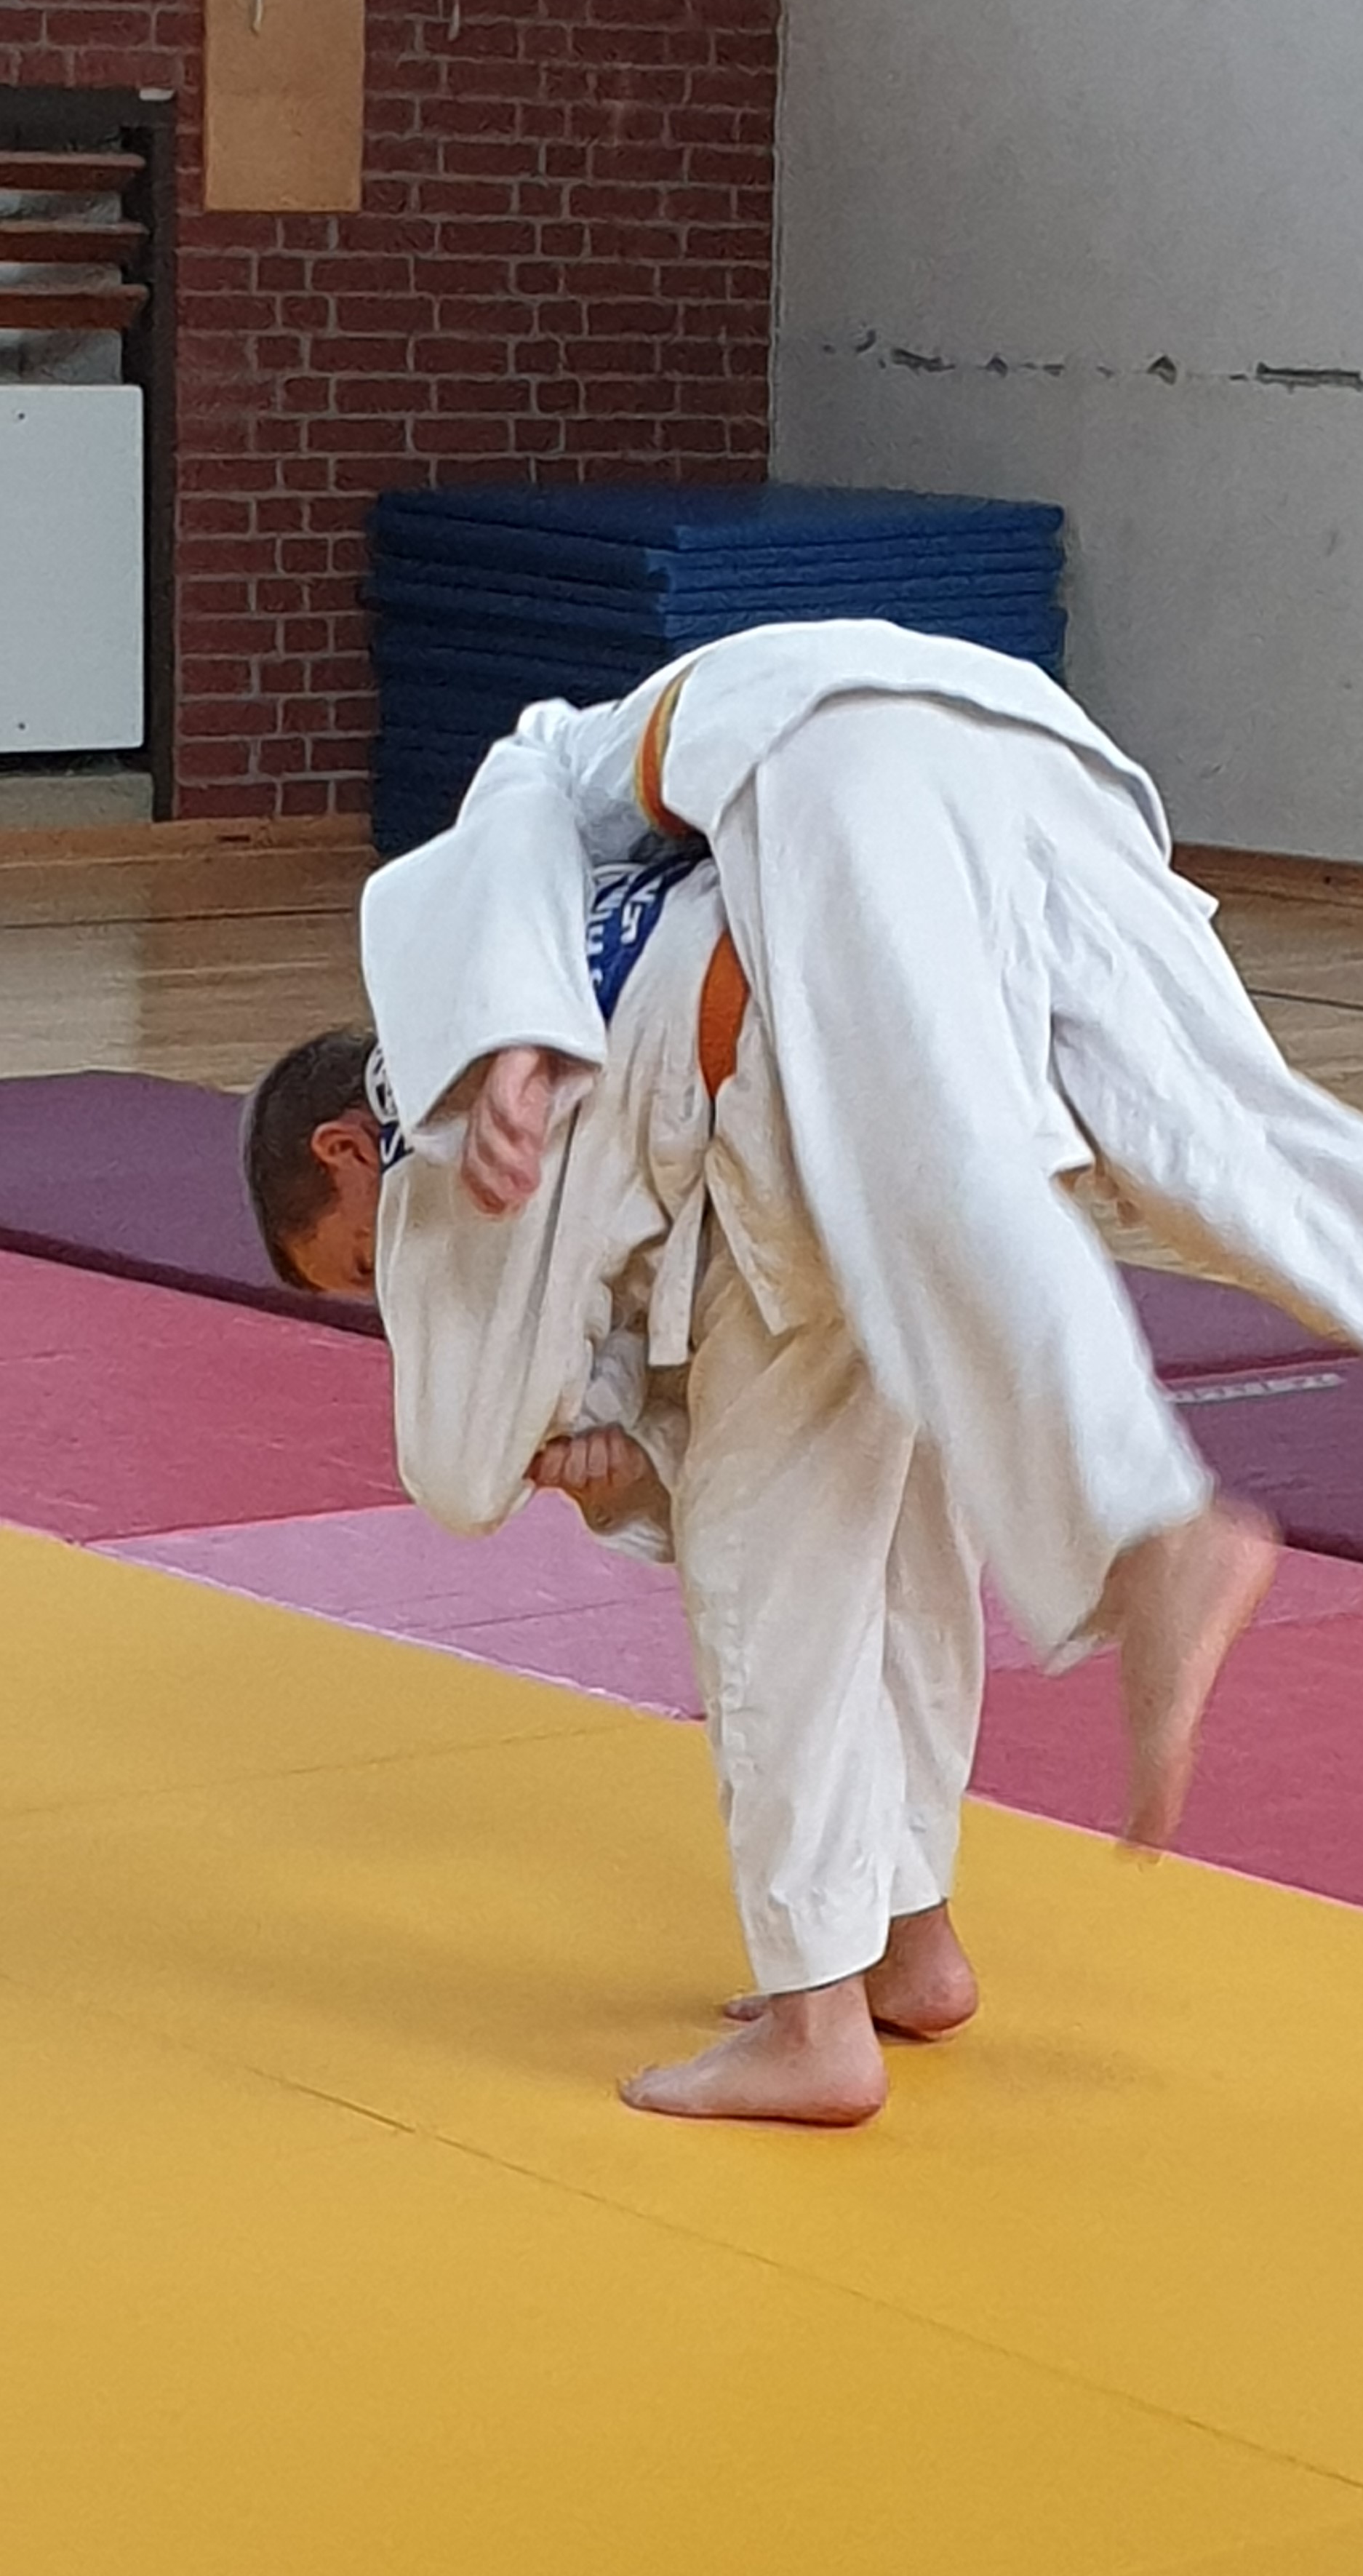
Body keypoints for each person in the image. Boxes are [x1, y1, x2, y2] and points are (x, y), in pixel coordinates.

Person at [360, 619, 1363, 1915]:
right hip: (1047, 754)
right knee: (1227, 1139)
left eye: (353, 1259)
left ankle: (1152, 1526)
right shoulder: (617, 880)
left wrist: (508, 1033)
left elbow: (510, 809)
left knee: (928, 1141)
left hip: (828, 741)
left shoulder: (545, 769)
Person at [244, 853, 987, 2127]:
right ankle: (912, 1943)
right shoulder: (534, 934)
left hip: (786, 1112)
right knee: (898, 1554)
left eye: (366, 1260)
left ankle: (817, 2022)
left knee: (769, 1591)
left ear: (346, 1149)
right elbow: (638, 1286)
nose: (391, 1290)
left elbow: (465, 1464)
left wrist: (590, 1436)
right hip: (932, 1052)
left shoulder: (435, 1109)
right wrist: (621, 1446)